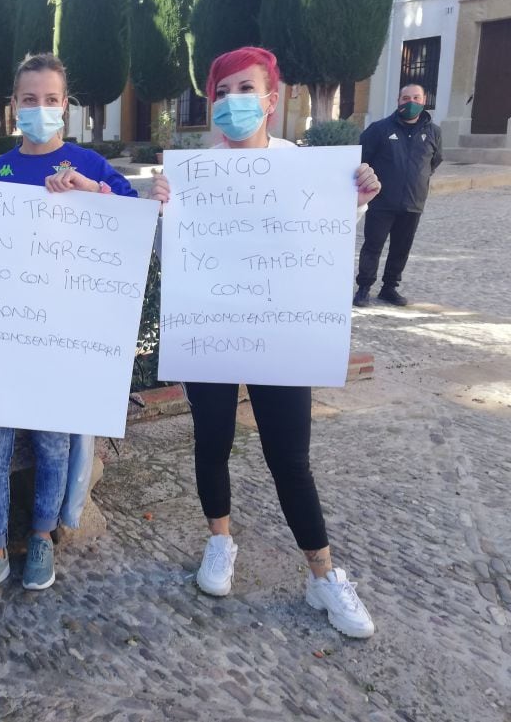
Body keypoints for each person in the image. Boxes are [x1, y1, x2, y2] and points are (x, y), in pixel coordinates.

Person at [149, 46, 382, 639]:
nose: (232, 103)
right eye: (221, 93)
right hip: (212, 331)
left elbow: (320, 243)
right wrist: (161, 212)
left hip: (281, 333)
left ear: (272, 100)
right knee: (212, 442)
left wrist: (354, 197)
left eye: (245, 89)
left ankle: (323, 573)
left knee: (290, 459)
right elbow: (171, 258)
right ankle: (219, 541)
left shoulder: (303, 168)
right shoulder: (191, 174)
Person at [0, 53, 137, 610]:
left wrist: (88, 187)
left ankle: (40, 541)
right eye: (29, 100)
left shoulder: (86, 161)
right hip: (4, 336)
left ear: (67, 105)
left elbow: (131, 222)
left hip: (62, 337)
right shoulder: (0, 171)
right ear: (15, 107)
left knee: (54, 444)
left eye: (51, 99)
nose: (40, 109)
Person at [353, 84, 443, 307]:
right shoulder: (379, 129)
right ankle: (364, 287)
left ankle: (389, 288)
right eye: (405, 98)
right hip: (382, 202)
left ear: (424, 101)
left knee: (401, 247)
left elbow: (435, 161)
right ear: (398, 101)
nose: (410, 102)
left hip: (413, 202)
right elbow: (361, 159)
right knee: (373, 245)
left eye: (415, 97)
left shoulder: (434, 132)